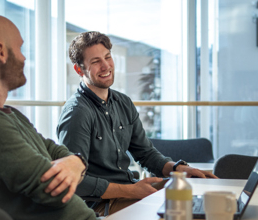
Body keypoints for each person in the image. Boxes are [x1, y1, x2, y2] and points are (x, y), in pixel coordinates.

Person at [57, 31, 217, 215]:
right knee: (179, 212)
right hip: (99, 206)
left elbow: (146, 154)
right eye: (95, 62)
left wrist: (177, 169)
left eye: (108, 57)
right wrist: (131, 190)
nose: (106, 66)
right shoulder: (76, 112)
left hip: (129, 193)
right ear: (79, 70)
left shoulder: (123, 102)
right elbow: (75, 181)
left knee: (198, 200)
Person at [0, 13, 99, 220]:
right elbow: (54, 192)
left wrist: (76, 162)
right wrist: (76, 162)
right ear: (1, 52)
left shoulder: (10, 115)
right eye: (20, 48)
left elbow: (57, 151)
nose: (24, 58)